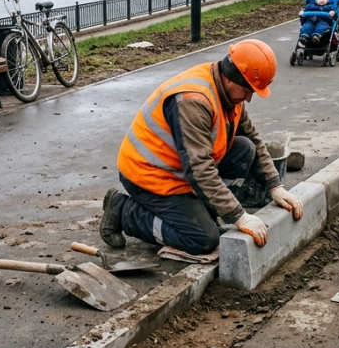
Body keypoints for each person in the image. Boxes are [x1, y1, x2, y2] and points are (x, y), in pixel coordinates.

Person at [99, 40, 304, 255]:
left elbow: (253, 137)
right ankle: (123, 211)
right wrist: (238, 216)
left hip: (181, 170)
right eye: (248, 90)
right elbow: (199, 170)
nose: (249, 98)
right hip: (150, 176)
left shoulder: (227, 90)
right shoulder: (193, 101)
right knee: (202, 239)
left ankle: (205, 211)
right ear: (233, 75)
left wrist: (275, 186)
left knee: (245, 148)